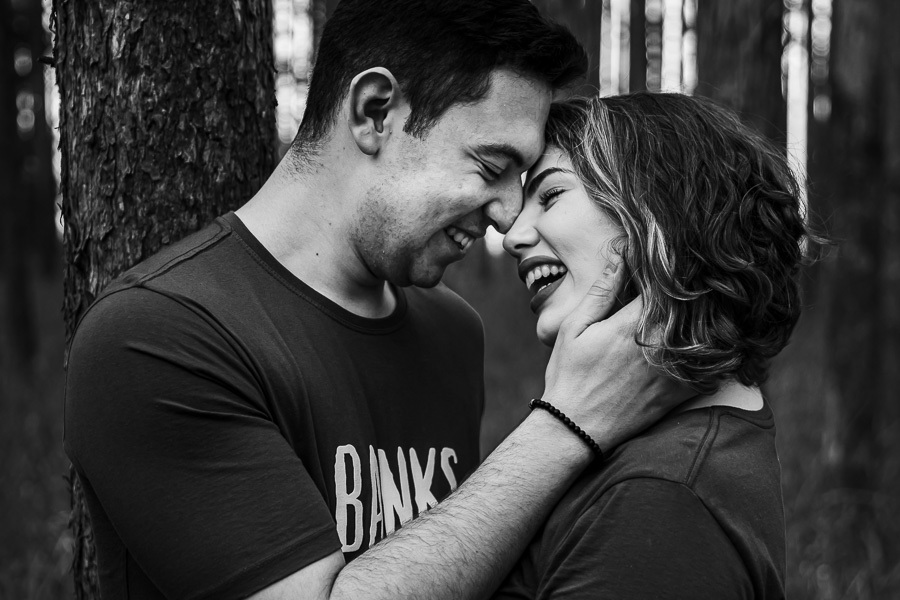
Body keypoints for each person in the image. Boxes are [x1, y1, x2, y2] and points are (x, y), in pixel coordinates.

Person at [64, 3, 688, 600]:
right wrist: (568, 423)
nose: (507, 215)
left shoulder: (452, 331)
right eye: (491, 164)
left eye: (522, 181)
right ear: (375, 111)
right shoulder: (156, 337)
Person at [496, 92, 819, 599]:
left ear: (660, 212)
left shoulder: (661, 497)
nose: (512, 234)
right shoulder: (674, 447)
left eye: (552, 195)